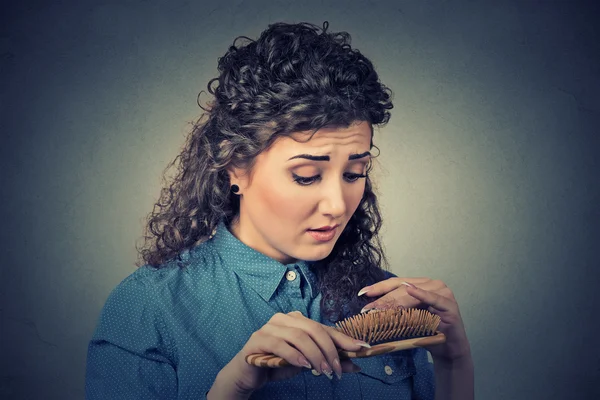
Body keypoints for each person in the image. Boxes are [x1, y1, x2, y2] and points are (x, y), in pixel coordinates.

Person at [85, 21, 474, 399]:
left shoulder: (386, 304)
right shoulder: (146, 310)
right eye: (306, 176)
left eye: (355, 173)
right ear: (236, 165)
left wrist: (454, 362)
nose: (338, 206)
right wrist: (232, 388)